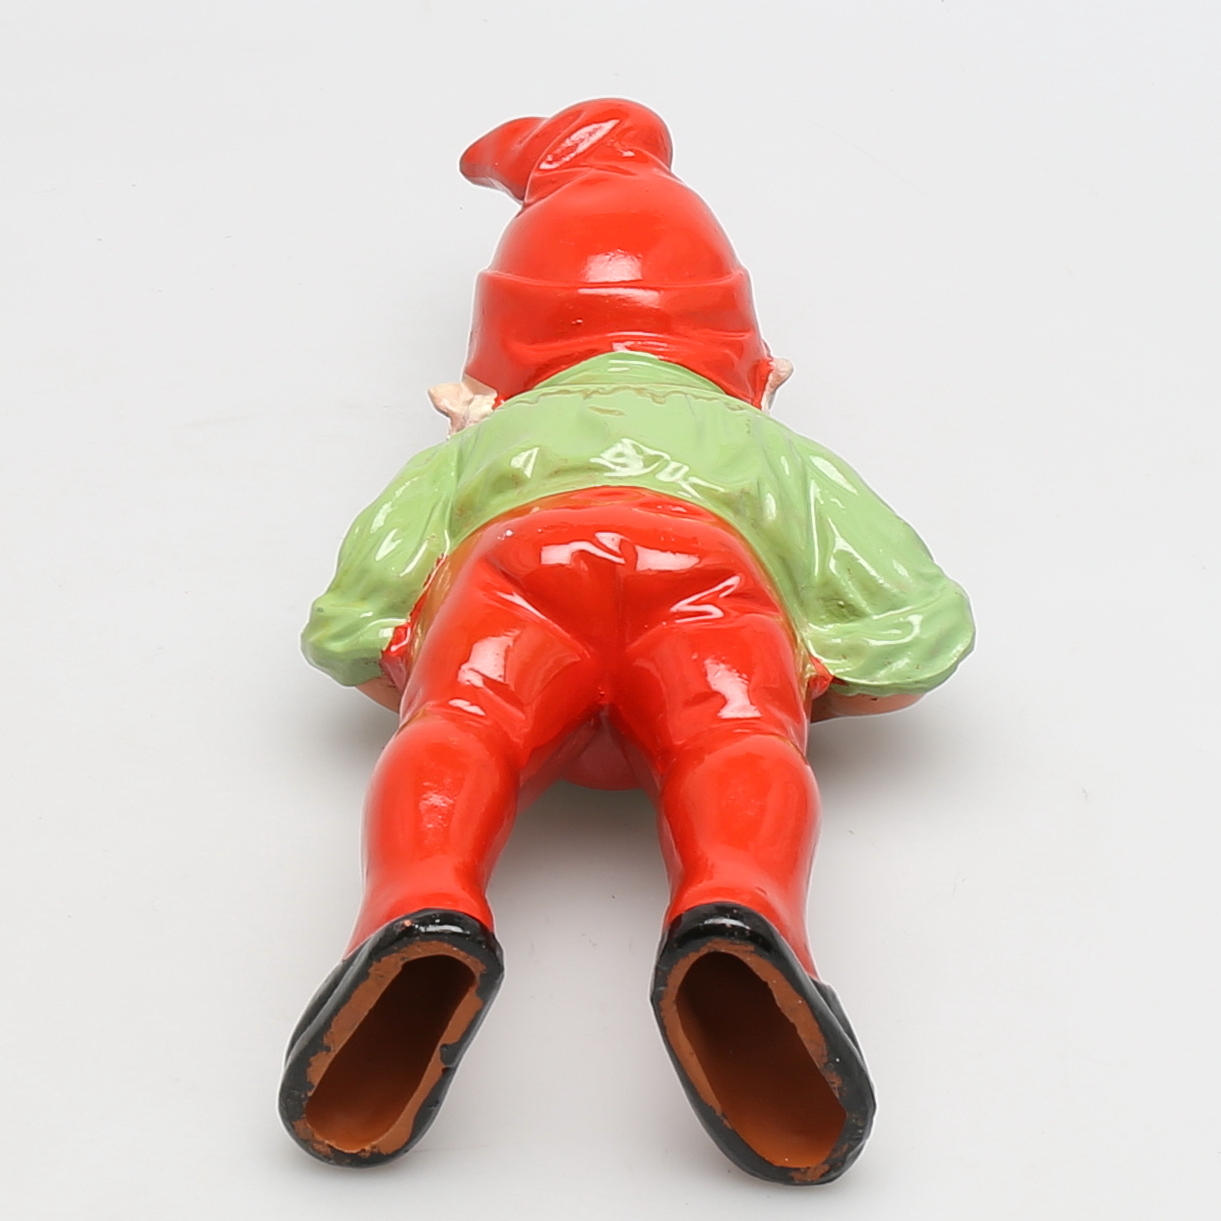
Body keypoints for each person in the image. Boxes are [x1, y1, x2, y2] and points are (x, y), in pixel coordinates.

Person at [279, 98, 974, 1185]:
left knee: (459, 730)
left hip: (518, 575)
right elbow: (921, 622)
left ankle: (417, 903)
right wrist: (819, 672)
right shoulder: (767, 446)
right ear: (760, 372)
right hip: (710, 585)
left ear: (476, 386)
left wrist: (403, 654)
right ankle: (741, 909)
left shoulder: (485, 440)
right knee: (736, 748)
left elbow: (352, 612)